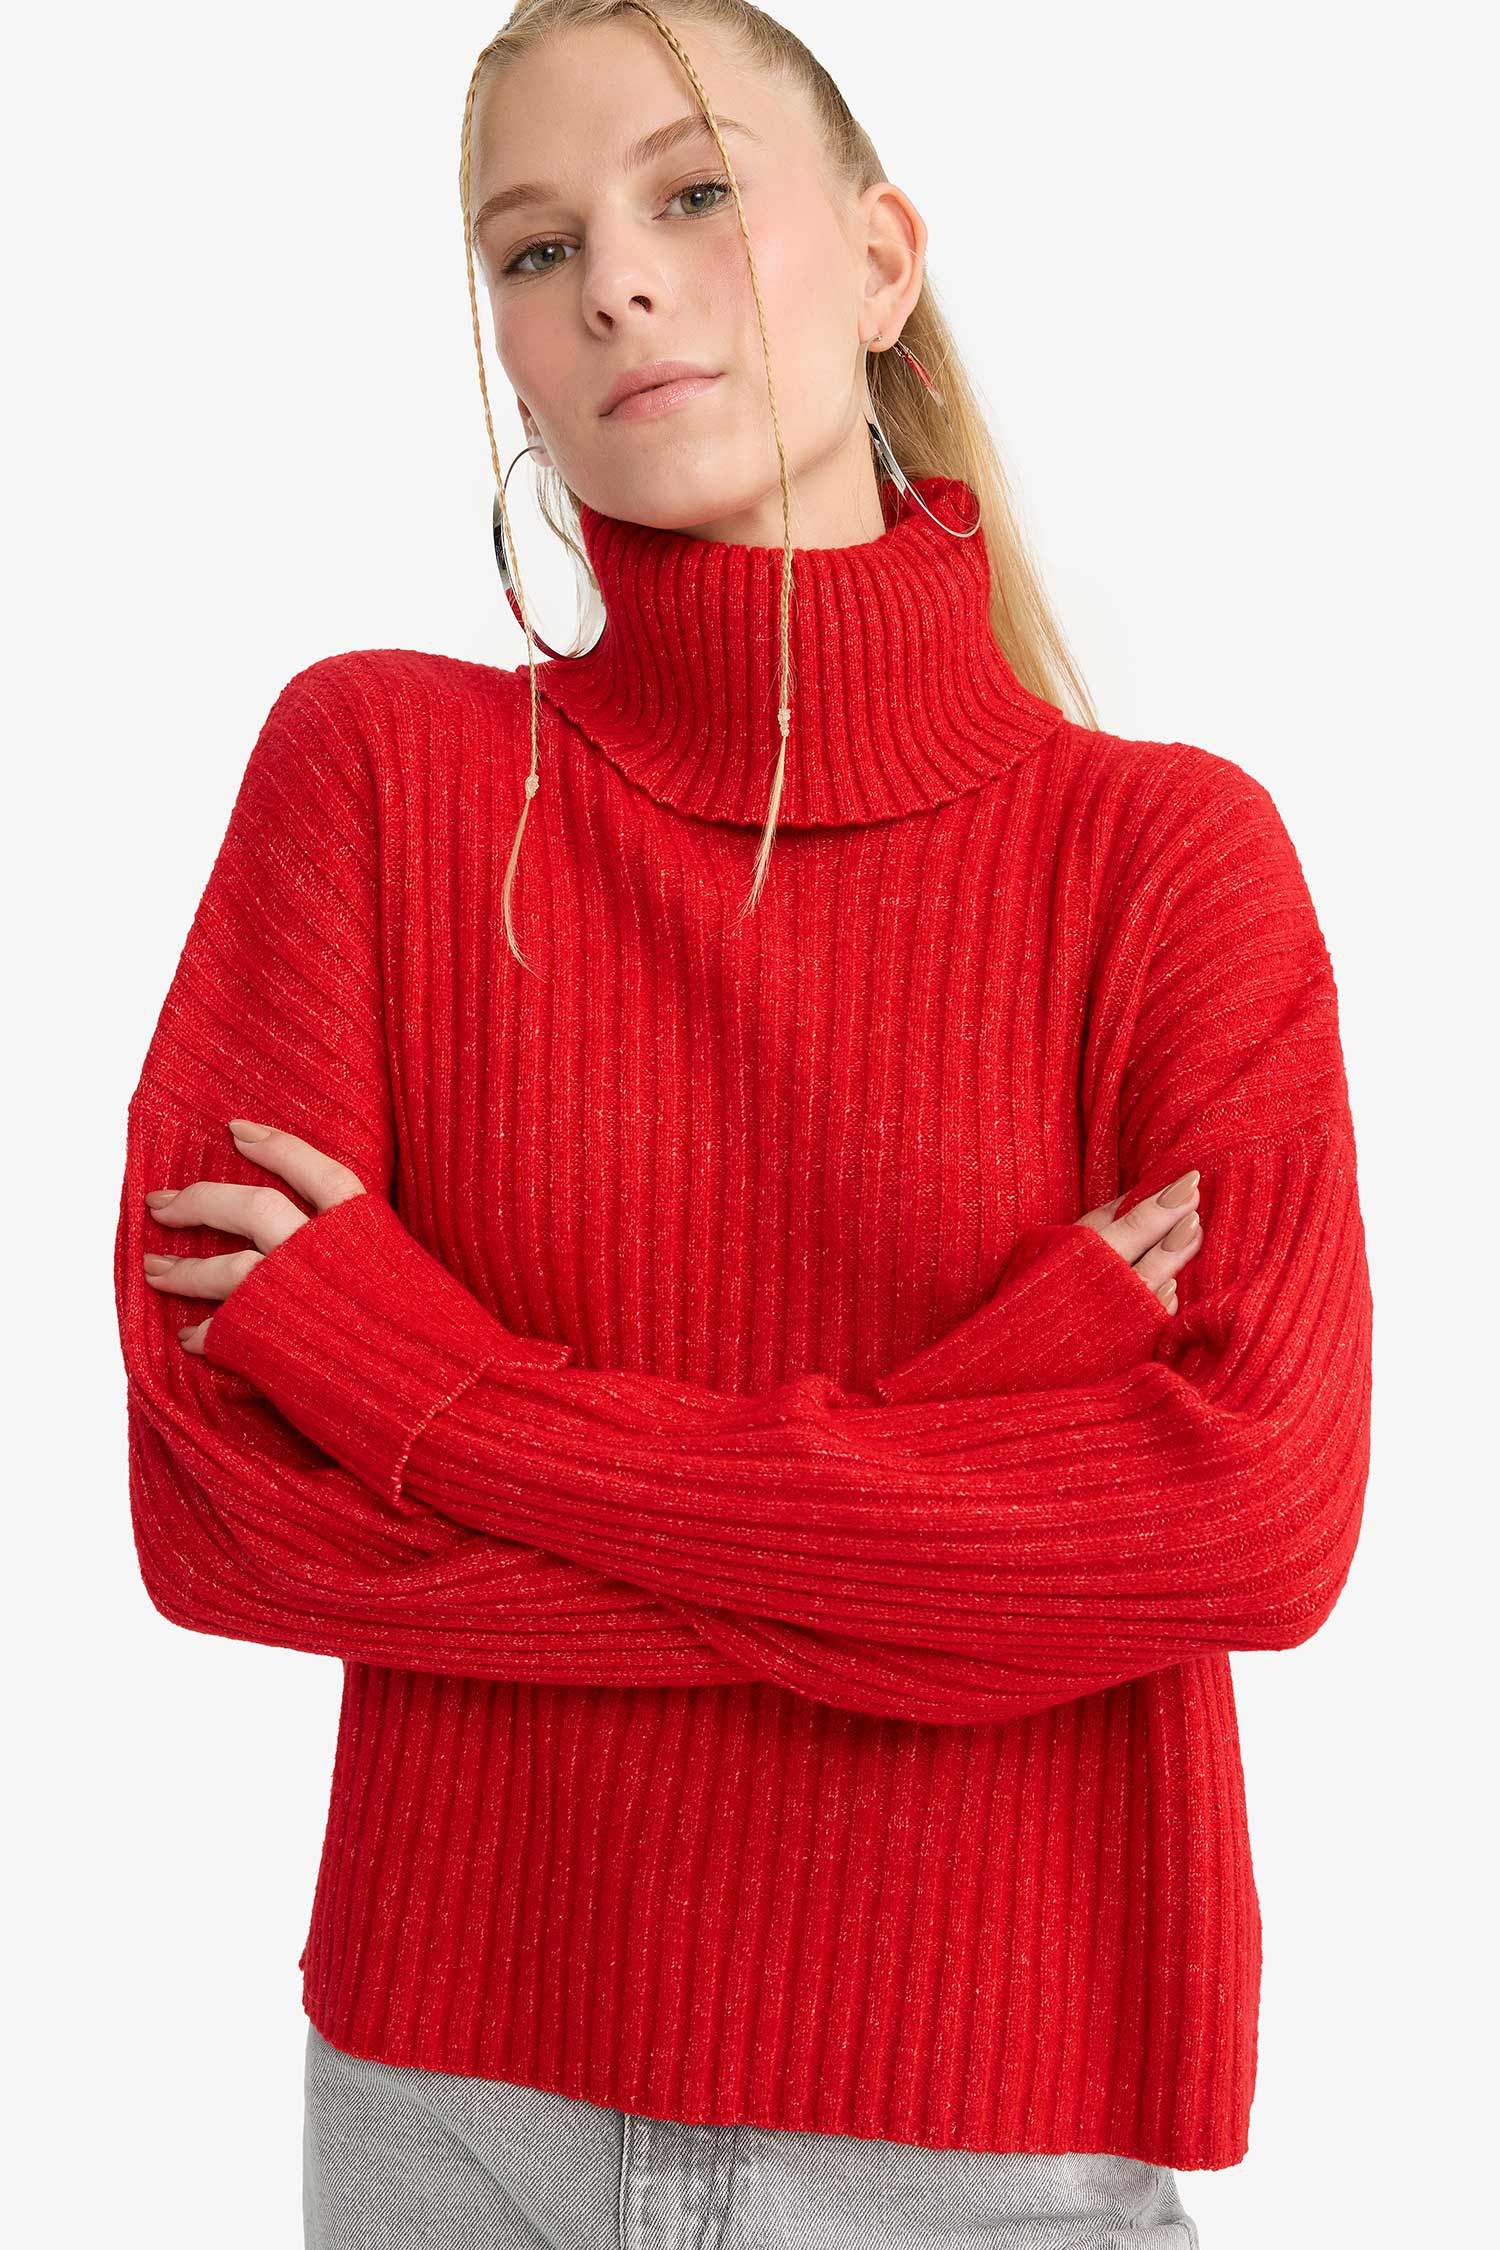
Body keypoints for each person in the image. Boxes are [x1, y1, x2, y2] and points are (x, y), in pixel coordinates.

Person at [114, 3, 1373, 2244]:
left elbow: (1252, 1529)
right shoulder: (380, 777)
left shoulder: (1166, 862)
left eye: (692, 194)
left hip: (974, 2151)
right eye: (532, 247)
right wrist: (971, 1448)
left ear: (882, 262)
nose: (613, 280)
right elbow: (226, 1518)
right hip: (449, 2103)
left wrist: (424, 1390)